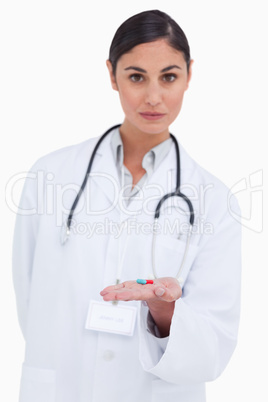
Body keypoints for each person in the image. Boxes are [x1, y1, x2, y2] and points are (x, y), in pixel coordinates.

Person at [12, 9, 241, 402]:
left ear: (189, 74)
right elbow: (29, 300)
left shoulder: (215, 202)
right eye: (136, 76)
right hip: (63, 389)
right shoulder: (49, 175)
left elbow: (213, 346)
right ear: (111, 74)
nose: (154, 97)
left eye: (169, 76)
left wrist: (163, 311)